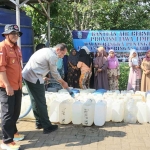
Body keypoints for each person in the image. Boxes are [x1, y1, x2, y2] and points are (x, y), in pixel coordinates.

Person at [22, 43, 69, 134]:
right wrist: (63, 82)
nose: (62, 57)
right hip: (33, 77)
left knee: (34, 100)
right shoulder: (52, 56)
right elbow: (55, 73)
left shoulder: (46, 50)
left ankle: (39, 122)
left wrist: (42, 75)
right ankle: (47, 126)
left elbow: (38, 64)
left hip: (27, 75)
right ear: (58, 49)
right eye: (63, 53)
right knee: (41, 102)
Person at [0, 24, 24, 150]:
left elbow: (18, 66)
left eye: (17, 34)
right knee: (7, 114)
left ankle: (13, 133)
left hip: (17, 85)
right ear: (6, 35)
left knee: (16, 111)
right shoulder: (2, 47)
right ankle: (6, 141)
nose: (15, 36)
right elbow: (1, 68)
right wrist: (7, 86)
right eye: (13, 34)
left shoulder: (17, 48)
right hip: (7, 87)